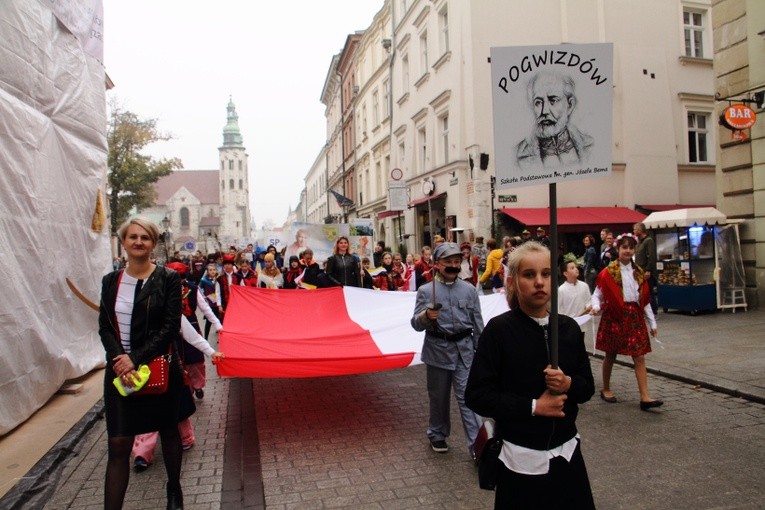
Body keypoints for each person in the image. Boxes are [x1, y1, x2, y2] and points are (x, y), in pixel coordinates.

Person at [466, 241, 595, 509]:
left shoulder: (568, 329)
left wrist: (569, 383)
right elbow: (477, 396)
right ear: (513, 282)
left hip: (567, 458)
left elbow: (587, 389)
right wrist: (535, 406)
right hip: (520, 463)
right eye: (529, 275)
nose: (539, 282)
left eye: (546, 274)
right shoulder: (498, 331)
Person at [98, 216, 185, 509]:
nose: (138, 242)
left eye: (145, 237)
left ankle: (174, 490)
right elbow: (105, 326)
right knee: (119, 444)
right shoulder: (110, 281)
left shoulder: (168, 279)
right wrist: (120, 361)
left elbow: (171, 327)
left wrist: (135, 358)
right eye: (132, 237)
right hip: (121, 373)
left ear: (153, 244)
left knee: (168, 430)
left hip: (158, 367)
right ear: (123, 242)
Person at [411, 243, 484, 459]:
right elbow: (415, 323)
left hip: (465, 352)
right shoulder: (426, 291)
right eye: (448, 262)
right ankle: (437, 433)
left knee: (468, 398)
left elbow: (477, 322)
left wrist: (482, 350)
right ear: (437, 264)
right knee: (439, 397)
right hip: (437, 351)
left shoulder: (470, 290)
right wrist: (425, 317)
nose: (453, 266)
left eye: (456, 262)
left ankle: (478, 446)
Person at [132, 316, 224, 471]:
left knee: (178, 407)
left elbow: (191, 335)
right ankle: (142, 452)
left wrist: (211, 352)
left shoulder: (172, 308)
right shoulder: (132, 309)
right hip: (143, 367)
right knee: (148, 410)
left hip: (170, 365)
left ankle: (186, 437)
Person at [590, 233, 662, 411]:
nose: (628, 251)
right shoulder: (608, 272)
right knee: (610, 354)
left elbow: (643, 300)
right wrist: (596, 306)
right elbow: (597, 294)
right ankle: (606, 388)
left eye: (631, 247)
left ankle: (645, 397)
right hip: (615, 315)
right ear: (617, 249)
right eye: (624, 247)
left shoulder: (638, 272)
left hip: (634, 316)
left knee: (639, 356)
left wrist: (652, 323)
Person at [515, 69, 593, 170]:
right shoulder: (518, 155)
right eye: (538, 102)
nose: (544, 111)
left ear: (570, 105)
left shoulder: (590, 146)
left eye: (553, 100)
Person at [633, 222, 658, 316]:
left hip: (646, 272)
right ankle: (645, 311)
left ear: (640, 230)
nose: (634, 231)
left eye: (635, 229)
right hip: (639, 271)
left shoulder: (648, 241)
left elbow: (651, 257)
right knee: (642, 292)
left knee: (649, 292)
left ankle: (653, 312)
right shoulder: (639, 242)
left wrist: (648, 270)